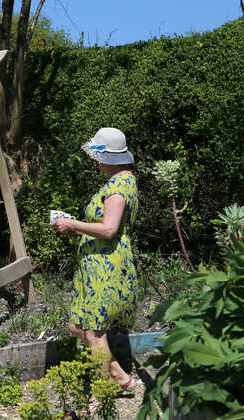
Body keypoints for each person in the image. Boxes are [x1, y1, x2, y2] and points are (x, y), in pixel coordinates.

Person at [51, 127, 139, 392]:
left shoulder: (119, 186)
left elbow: (109, 229)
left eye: (97, 156)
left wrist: (74, 224)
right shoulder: (119, 182)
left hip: (106, 266)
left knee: (94, 332)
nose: (95, 161)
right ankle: (121, 378)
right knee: (77, 327)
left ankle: (102, 395)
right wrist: (74, 228)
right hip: (94, 265)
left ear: (107, 158)